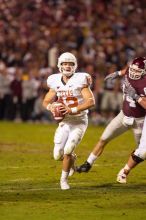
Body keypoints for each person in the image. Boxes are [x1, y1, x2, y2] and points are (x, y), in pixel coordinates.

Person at [76, 57, 146, 184]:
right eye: (133, 69)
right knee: (104, 138)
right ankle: (88, 163)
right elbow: (126, 71)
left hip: (140, 121)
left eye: (138, 71)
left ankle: (124, 171)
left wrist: (136, 96)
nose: (134, 72)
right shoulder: (130, 70)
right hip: (123, 116)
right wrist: (117, 73)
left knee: (141, 152)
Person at [43, 52, 95, 190]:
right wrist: (51, 106)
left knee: (67, 150)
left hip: (79, 121)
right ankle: (71, 160)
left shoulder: (81, 79)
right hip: (65, 122)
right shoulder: (54, 80)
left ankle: (63, 180)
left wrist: (72, 110)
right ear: (60, 65)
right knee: (57, 155)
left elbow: (90, 101)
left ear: (75, 66)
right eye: (65, 63)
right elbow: (47, 100)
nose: (67, 66)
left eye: (70, 64)